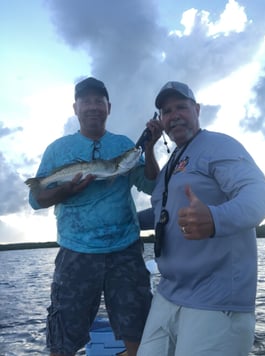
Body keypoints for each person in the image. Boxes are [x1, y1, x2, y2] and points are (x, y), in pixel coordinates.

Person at [28, 77, 162, 356]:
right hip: (76, 251)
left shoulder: (124, 145)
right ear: (75, 108)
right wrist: (65, 190)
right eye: (85, 101)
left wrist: (149, 148)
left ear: (108, 107)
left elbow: (152, 184)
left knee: (138, 328)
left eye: (98, 101)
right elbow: (36, 200)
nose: (92, 107)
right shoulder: (57, 150)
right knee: (63, 337)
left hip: (125, 250)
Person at [137, 81, 265, 356]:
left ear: (196, 109)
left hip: (216, 299)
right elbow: (165, 212)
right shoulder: (174, 161)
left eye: (181, 107)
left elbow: (259, 195)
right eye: (166, 111)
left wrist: (215, 218)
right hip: (169, 292)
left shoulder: (218, 145)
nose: (174, 116)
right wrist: (125, 220)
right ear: (160, 120)